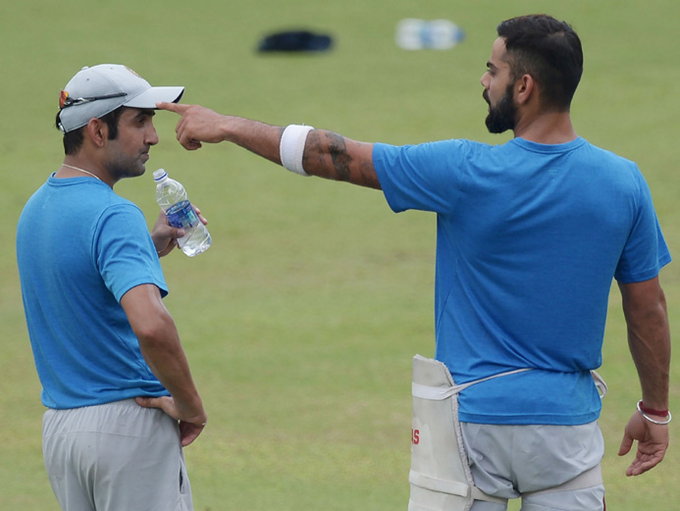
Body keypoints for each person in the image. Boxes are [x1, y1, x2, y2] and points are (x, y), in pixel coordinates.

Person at [159, 14, 670, 511]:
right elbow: (647, 308)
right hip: (567, 431)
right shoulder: (623, 182)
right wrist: (655, 410)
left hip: (470, 427)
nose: (483, 80)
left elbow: (330, 155)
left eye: (493, 70)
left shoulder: (465, 169)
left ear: (525, 86)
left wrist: (226, 125)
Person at [16, 64, 207, 511]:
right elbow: (152, 326)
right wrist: (190, 404)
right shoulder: (113, 215)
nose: (154, 137)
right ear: (98, 131)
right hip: (130, 428)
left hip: (62, 434)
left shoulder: (35, 210)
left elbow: (78, 282)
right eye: (140, 121)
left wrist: (147, 248)